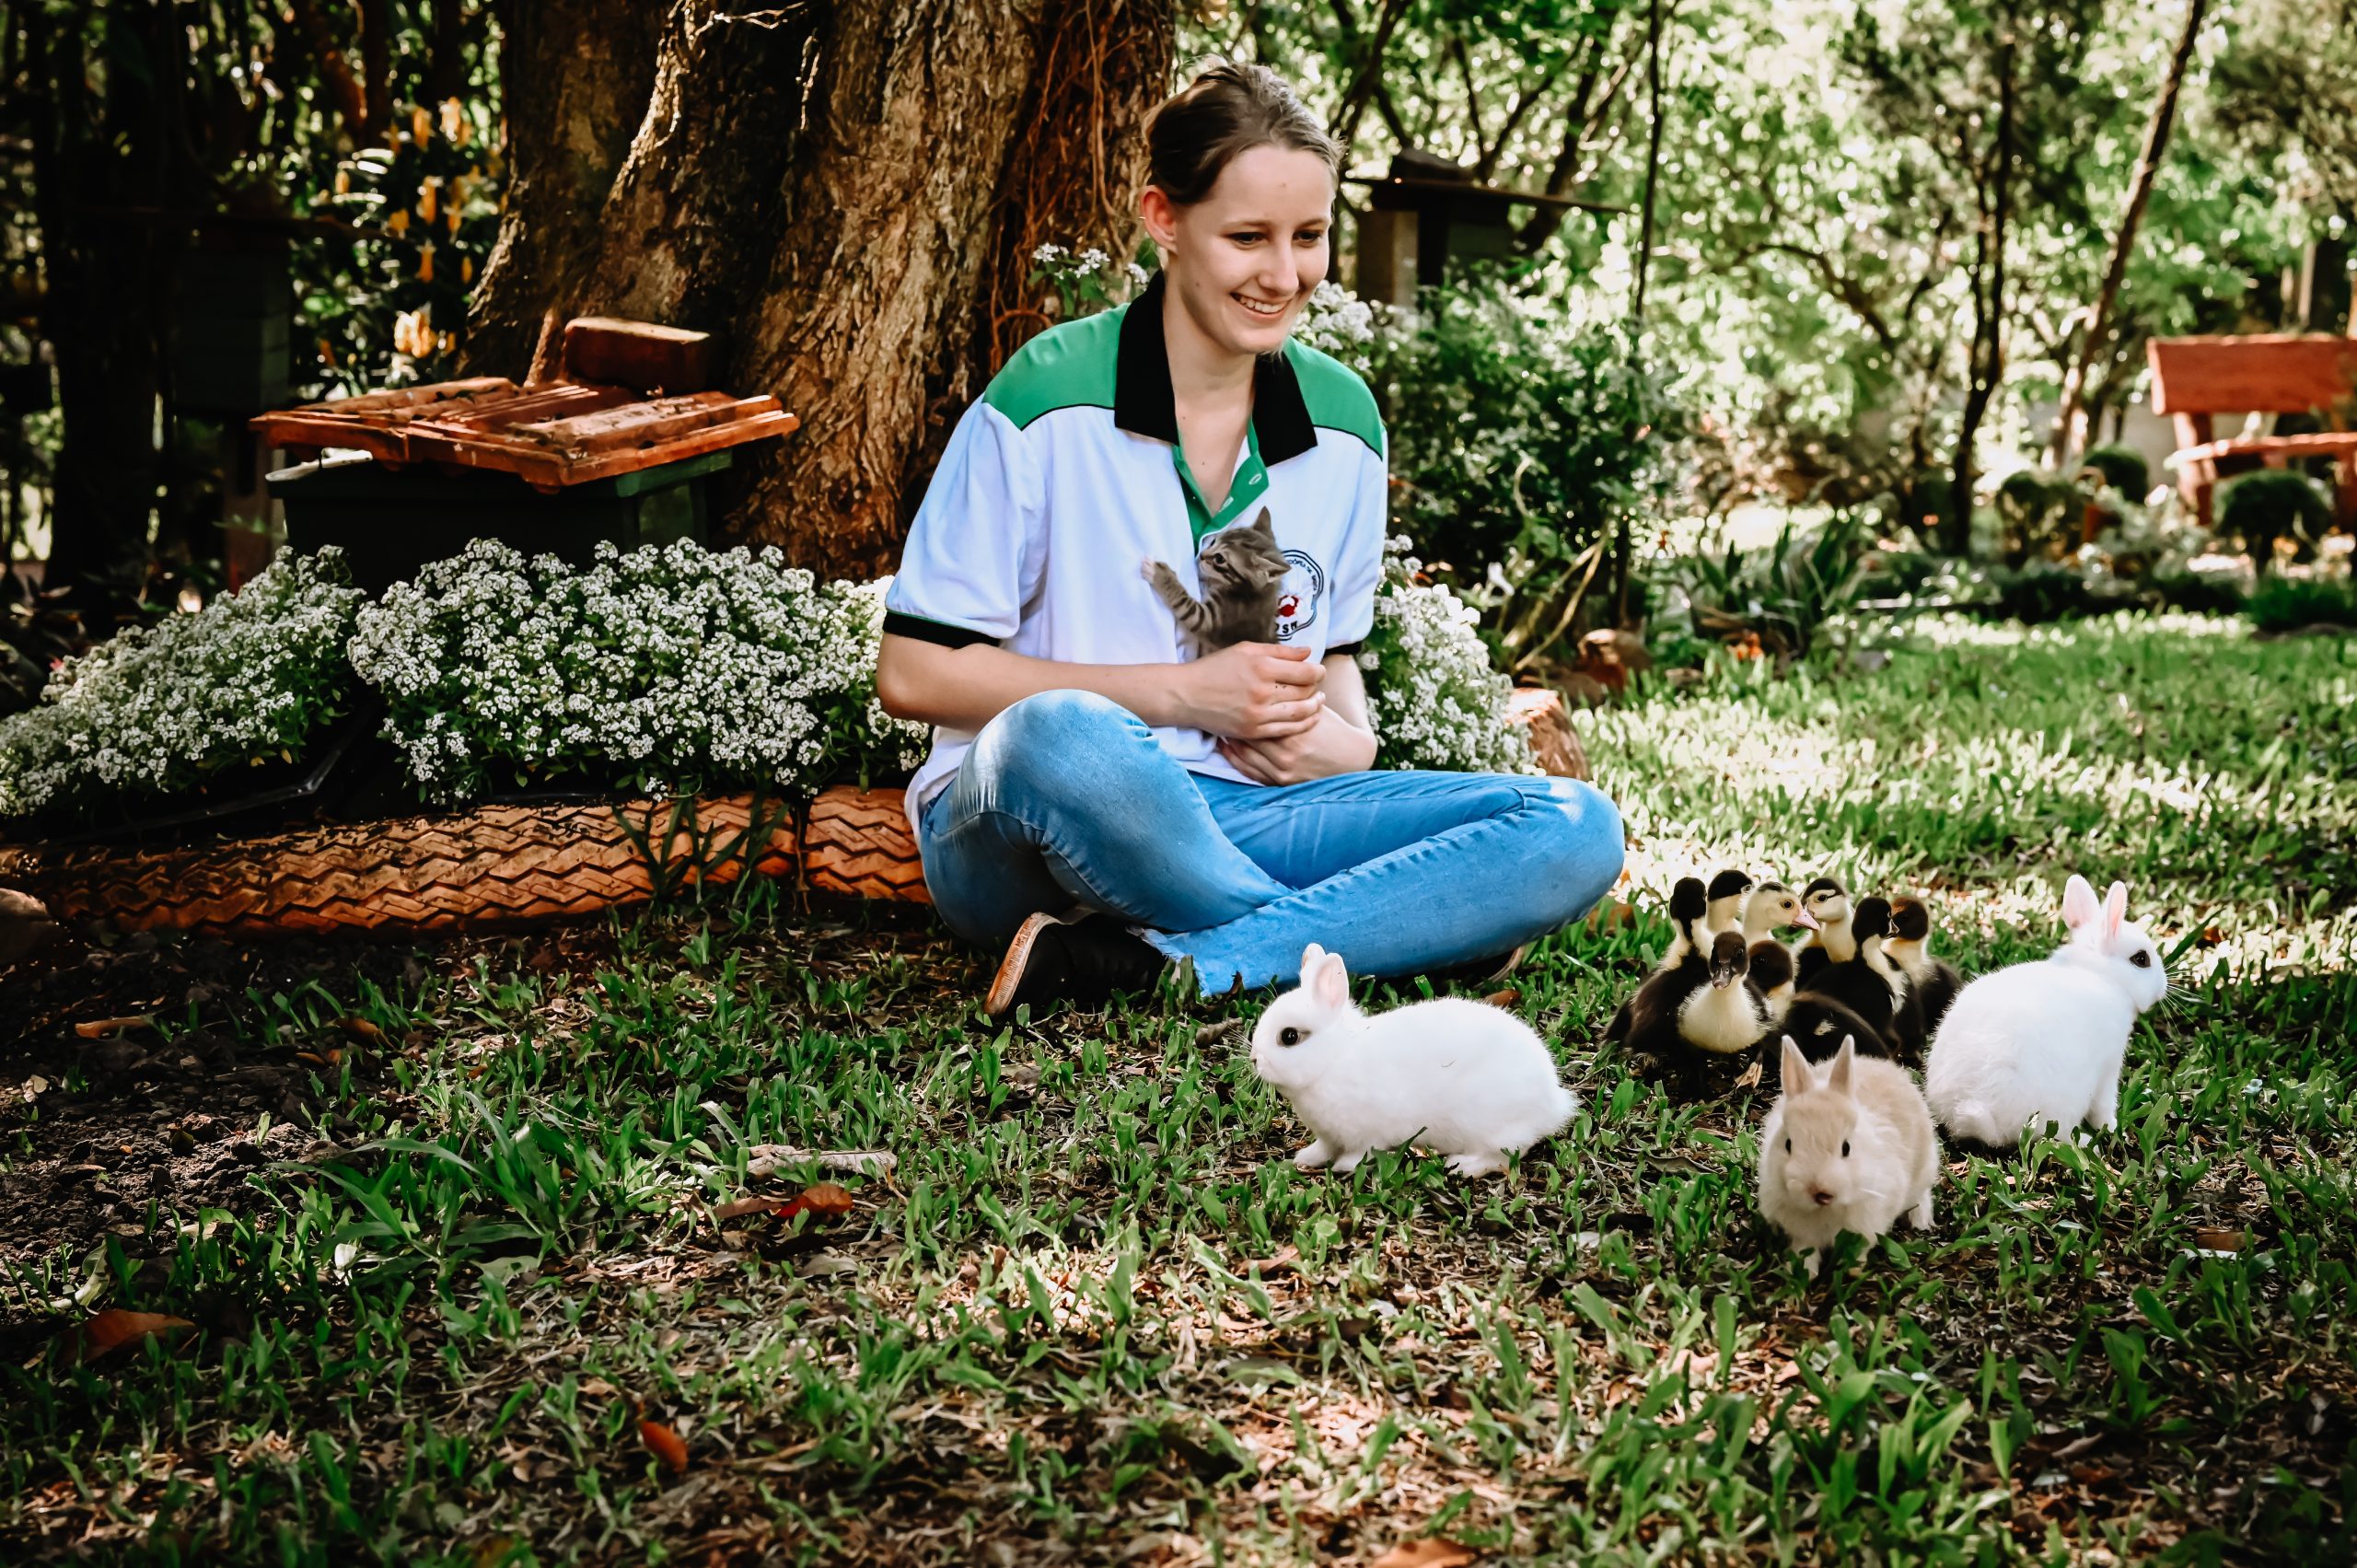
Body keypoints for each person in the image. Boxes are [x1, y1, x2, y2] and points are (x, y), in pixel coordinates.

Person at [876, 62, 1623, 1016]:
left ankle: (1167, 962)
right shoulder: (1042, 398)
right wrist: (1182, 695)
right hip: (1030, 822)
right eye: (1247, 238)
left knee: (1573, 825)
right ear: (1163, 218)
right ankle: (1392, 931)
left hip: (1250, 812)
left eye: (1308, 237)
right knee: (1063, 734)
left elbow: (1334, 653)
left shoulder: (1346, 425)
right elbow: (912, 672)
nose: (1284, 275)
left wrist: (1346, 747)